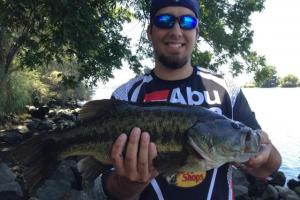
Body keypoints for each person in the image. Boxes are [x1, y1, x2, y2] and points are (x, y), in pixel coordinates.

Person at [101, 0, 282, 199]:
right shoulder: (124, 96)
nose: (176, 31)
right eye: (164, 20)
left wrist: (267, 154)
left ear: (197, 32)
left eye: (187, 22)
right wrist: (129, 182)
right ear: (150, 31)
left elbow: (267, 168)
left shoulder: (226, 91)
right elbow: (111, 190)